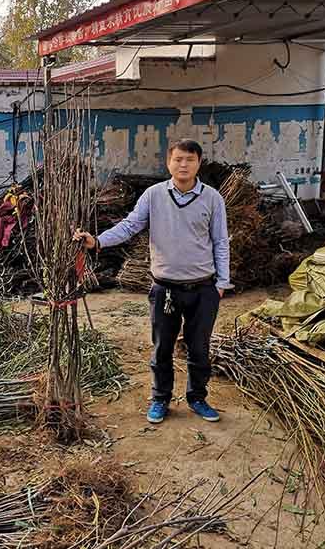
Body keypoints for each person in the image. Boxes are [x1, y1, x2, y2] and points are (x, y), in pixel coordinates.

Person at [74, 139, 231, 425]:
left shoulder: (212, 198)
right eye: (178, 159)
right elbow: (130, 225)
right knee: (162, 348)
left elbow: (221, 241)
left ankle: (197, 397)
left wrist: (222, 282)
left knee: (199, 348)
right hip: (165, 289)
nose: (183, 165)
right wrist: (97, 241)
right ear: (168, 163)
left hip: (203, 288)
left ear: (199, 163)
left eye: (190, 160)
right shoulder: (154, 195)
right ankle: (161, 399)